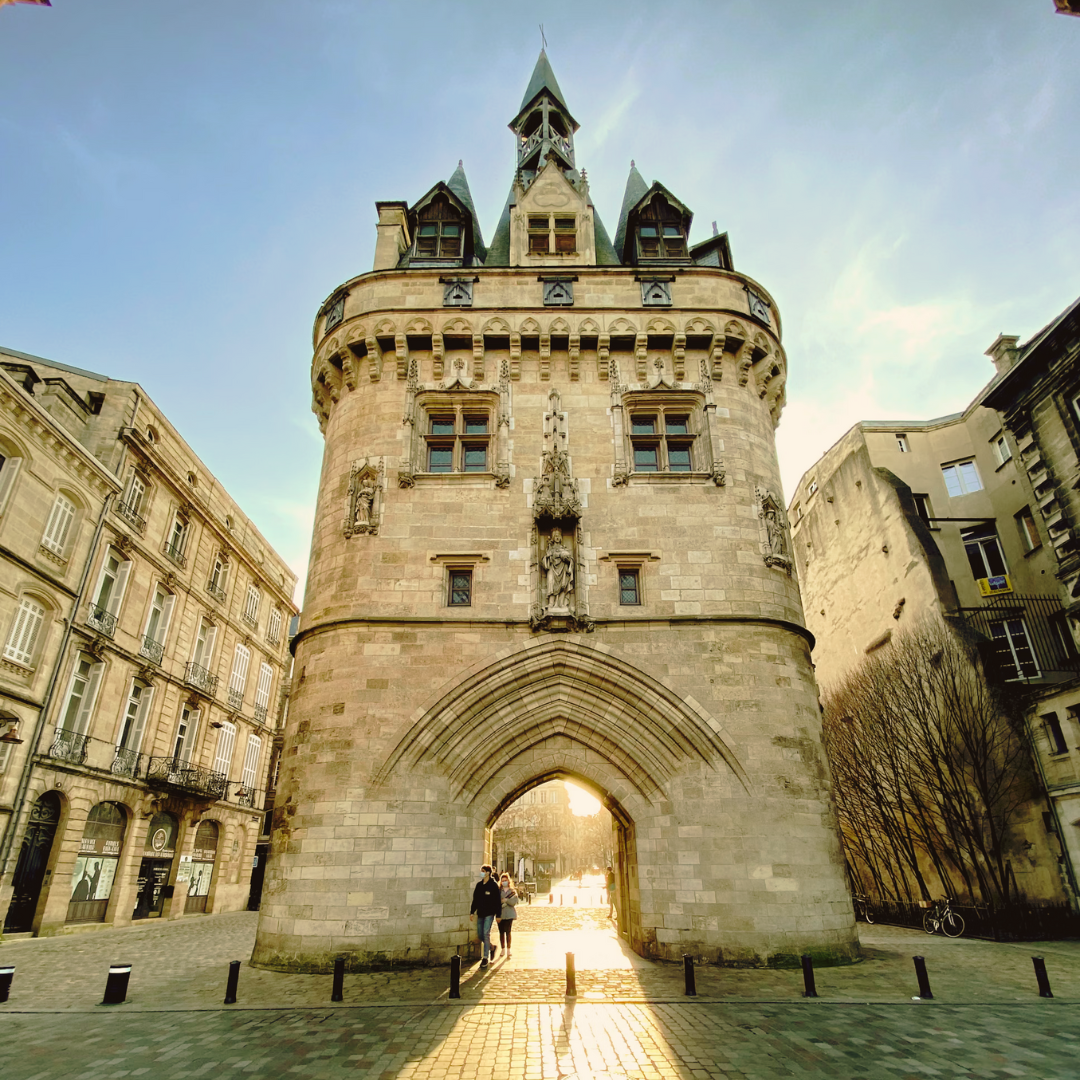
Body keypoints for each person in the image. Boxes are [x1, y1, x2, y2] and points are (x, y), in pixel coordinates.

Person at [470, 864, 502, 968]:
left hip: (489, 913)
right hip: (480, 913)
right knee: (480, 935)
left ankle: (485, 958)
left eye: (483, 871)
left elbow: (497, 902)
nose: (481, 873)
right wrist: (472, 912)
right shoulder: (479, 885)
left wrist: (498, 915)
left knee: (486, 933)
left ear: (488, 872)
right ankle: (492, 947)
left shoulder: (493, 885)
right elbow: (475, 899)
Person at [497, 872, 519, 959]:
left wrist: (506, 900)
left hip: (509, 914)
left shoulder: (512, 891)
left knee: (508, 931)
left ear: (508, 881)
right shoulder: (498, 891)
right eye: (502, 881)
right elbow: (496, 902)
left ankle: (509, 949)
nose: (504, 882)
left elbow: (514, 902)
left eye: (505, 880)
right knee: (501, 932)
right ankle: (502, 949)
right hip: (501, 914)